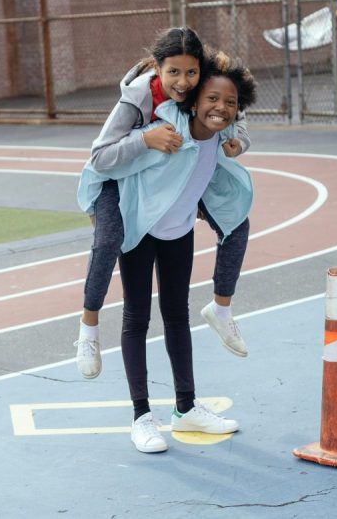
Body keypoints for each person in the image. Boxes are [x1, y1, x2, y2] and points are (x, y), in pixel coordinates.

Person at [78, 52, 257, 452]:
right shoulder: (166, 128)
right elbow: (104, 160)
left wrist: (238, 135)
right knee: (137, 317)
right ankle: (141, 416)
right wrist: (142, 140)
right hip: (140, 226)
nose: (220, 108)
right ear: (192, 100)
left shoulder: (221, 136)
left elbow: (233, 113)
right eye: (211, 100)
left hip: (177, 229)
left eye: (229, 104)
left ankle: (186, 407)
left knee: (177, 316)